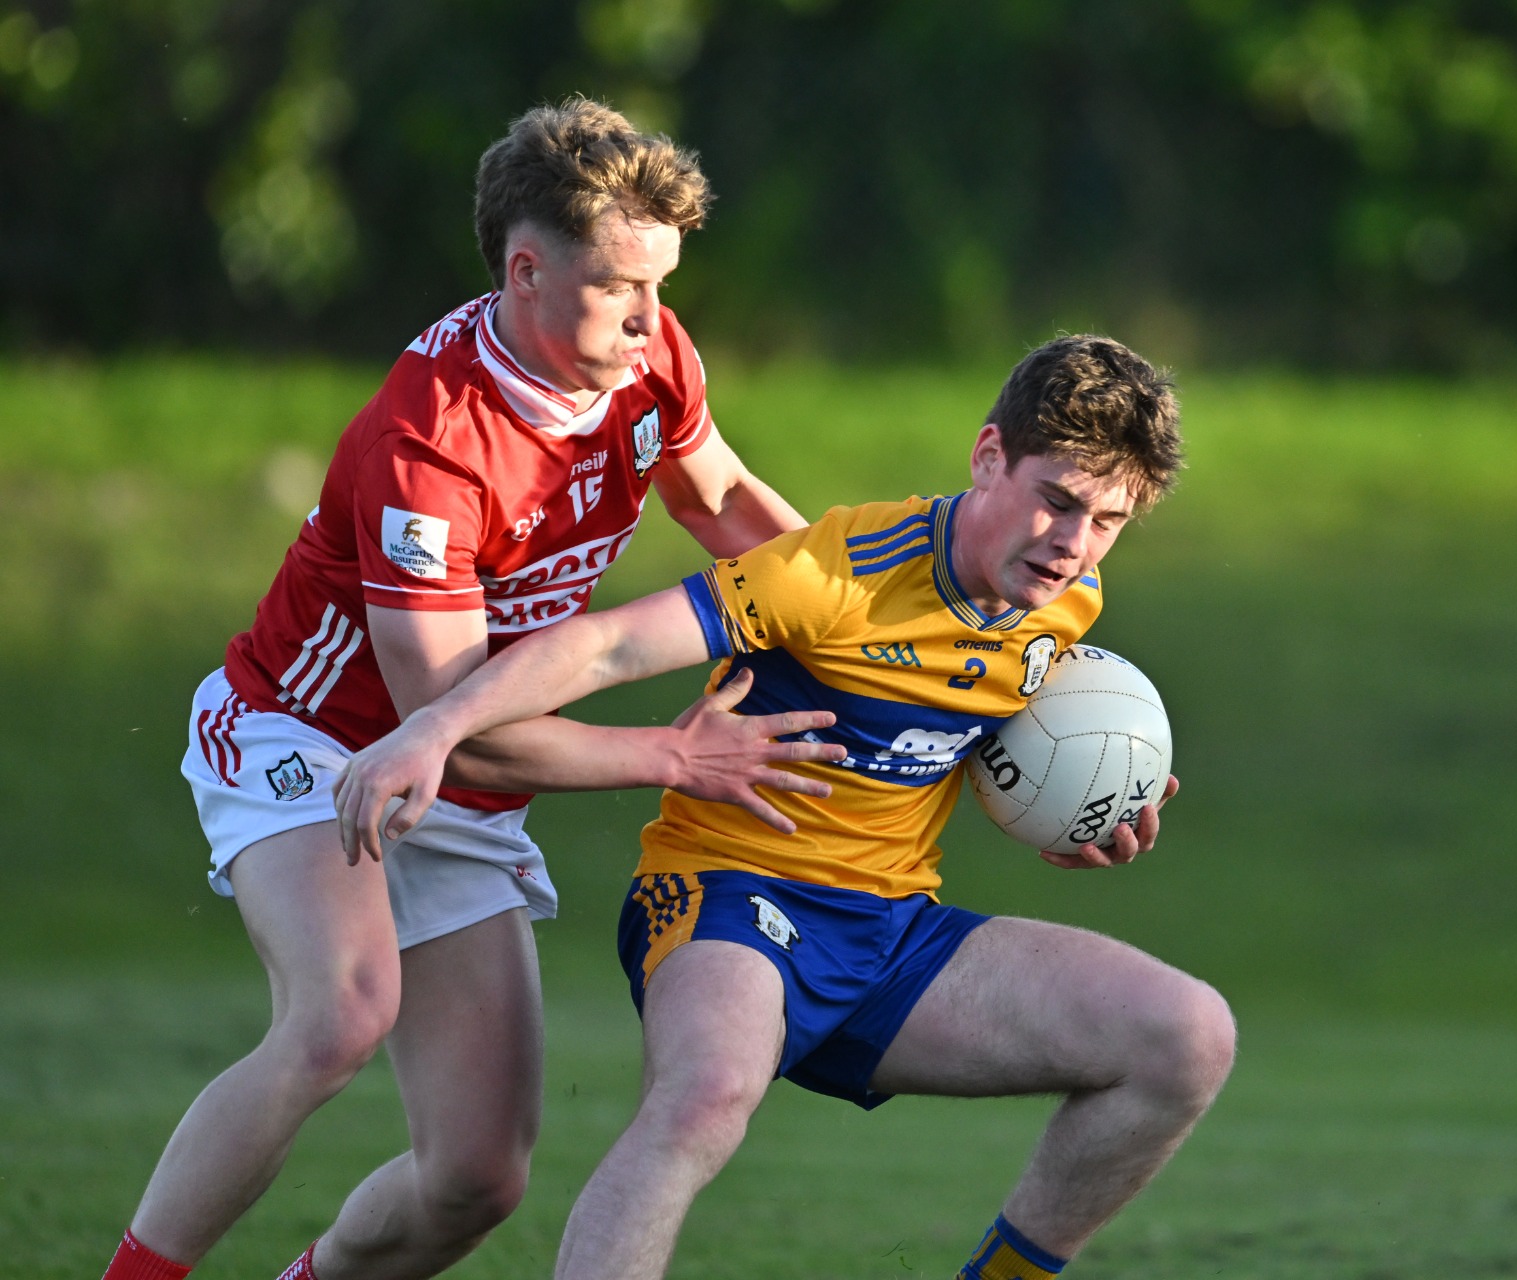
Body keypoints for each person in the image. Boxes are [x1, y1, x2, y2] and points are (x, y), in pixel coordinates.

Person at [99, 98, 844, 1280]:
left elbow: (718, 501)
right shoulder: (431, 450)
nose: (650, 317)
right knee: (341, 1015)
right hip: (310, 737)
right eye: (619, 286)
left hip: (460, 765)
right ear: (525, 271)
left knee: (477, 1177)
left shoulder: (647, 355)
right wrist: (671, 754)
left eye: (661, 284)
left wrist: (872, 620)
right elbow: (450, 725)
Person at [333, 334, 1237, 1280]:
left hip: (889, 931)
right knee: (705, 1099)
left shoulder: (1066, 601)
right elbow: (608, 648)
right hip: (731, 896)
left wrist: (1071, 815)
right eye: (1058, 501)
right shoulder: (838, 571)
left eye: (1108, 521)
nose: (1074, 543)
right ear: (988, 457)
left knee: (1188, 1037)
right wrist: (435, 725)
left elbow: (966, 731)